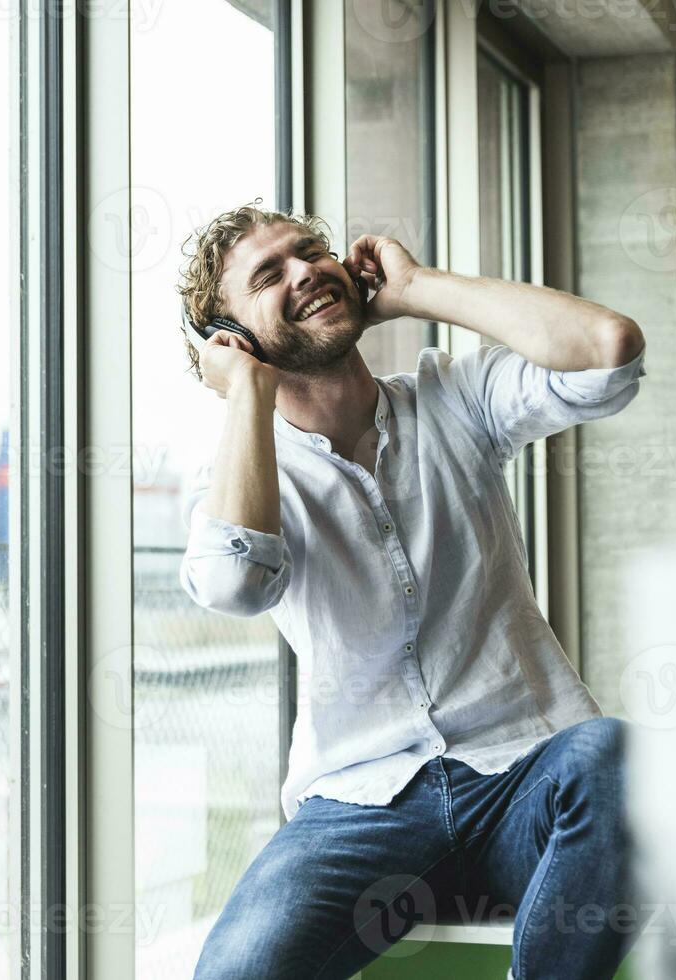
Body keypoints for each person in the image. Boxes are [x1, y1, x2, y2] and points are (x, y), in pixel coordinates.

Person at [177, 203, 646, 980]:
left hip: (521, 774)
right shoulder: (246, 470)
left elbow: (608, 351)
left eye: (312, 251)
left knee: (615, 755)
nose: (305, 271)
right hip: (360, 808)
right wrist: (246, 397)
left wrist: (418, 286)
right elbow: (235, 583)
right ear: (229, 339)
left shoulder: (453, 398)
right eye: (270, 275)